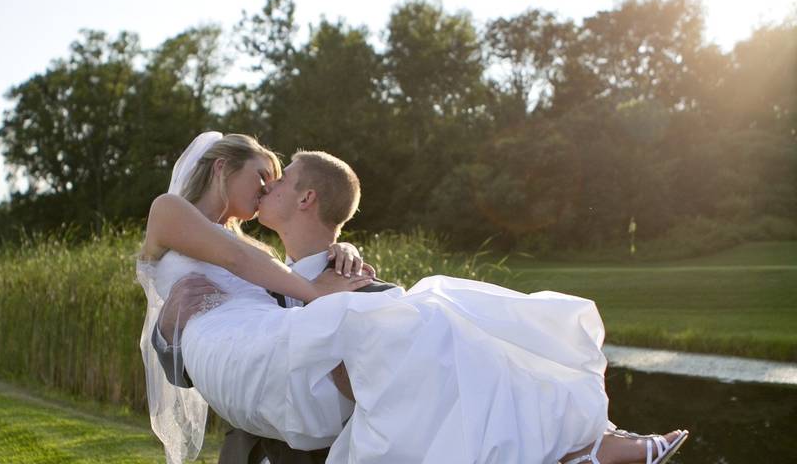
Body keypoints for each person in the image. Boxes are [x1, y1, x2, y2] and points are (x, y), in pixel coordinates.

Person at [137, 132, 689, 464]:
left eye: (276, 181)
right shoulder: (178, 218)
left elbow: (268, 274)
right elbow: (240, 274)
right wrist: (320, 289)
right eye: (262, 176)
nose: (265, 189)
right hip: (251, 396)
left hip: (295, 391)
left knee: (442, 318)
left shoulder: (279, 259)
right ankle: (578, 442)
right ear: (220, 168)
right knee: (424, 320)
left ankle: (584, 438)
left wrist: (336, 261)